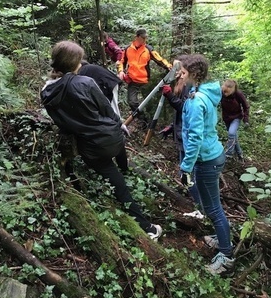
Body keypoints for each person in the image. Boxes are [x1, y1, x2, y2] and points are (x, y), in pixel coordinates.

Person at [41, 40, 162, 241]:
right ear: (74, 63)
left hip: (90, 149)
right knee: (118, 161)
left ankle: (146, 227)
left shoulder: (46, 92)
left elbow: (61, 122)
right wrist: (116, 124)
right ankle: (145, 222)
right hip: (112, 139)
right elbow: (107, 110)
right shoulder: (86, 83)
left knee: (115, 180)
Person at [177, 54, 233, 275]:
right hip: (211, 156)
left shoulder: (198, 100)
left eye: (182, 72)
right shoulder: (200, 94)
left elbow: (195, 137)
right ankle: (222, 238)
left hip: (207, 159)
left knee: (214, 209)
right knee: (210, 205)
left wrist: (186, 166)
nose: (179, 75)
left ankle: (226, 256)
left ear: (194, 74)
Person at [160, 56, 203, 215]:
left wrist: (170, 97)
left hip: (187, 135)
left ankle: (201, 208)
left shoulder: (190, 87)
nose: (177, 73)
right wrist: (171, 127)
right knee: (187, 174)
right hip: (180, 132)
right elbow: (182, 115)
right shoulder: (181, 84)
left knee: (187, 174)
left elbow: (186, 109)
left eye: (179, 69)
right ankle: (199, 205)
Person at [117, 28, 172, 126]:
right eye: (143, 38)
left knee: (148, 104)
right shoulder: (127, 49)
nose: (144, 40)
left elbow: (159, 59)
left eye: (145, 38)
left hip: (145, 80)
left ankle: (152, 123)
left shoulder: (148, 49)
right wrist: (121, 71)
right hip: (132, 80)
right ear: (137, 37)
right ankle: (143, 120)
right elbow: (121, 61)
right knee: (132, 102)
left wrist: (169, 66)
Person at [220, 79, 250, 161]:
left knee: (231, 133)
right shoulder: (221, 92)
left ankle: (229, 154)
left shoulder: (238, 94)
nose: (225, 94)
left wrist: (246, 119)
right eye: (224, 92)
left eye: (227, 92)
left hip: (236, 117)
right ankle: (240, 154)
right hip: (226, 118)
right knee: (233, 136)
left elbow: (246, 106)